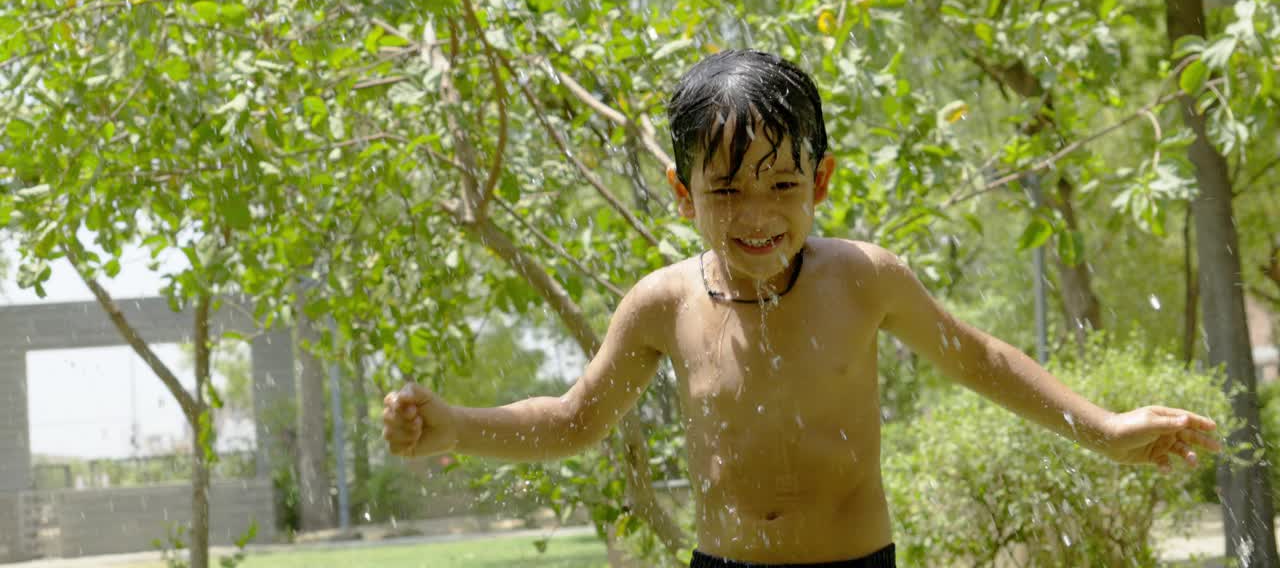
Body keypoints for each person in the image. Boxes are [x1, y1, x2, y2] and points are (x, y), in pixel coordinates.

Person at [382, 49, 1220, 567]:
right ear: (684, 194)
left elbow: (979, 358)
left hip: (855, 565)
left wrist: (1104, 430)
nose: (757, 215)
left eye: (783, 186)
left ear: (821, 182)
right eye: (727, 190)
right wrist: (457, 426)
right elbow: (573, 419)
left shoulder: (863, 279)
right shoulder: (663, 304)